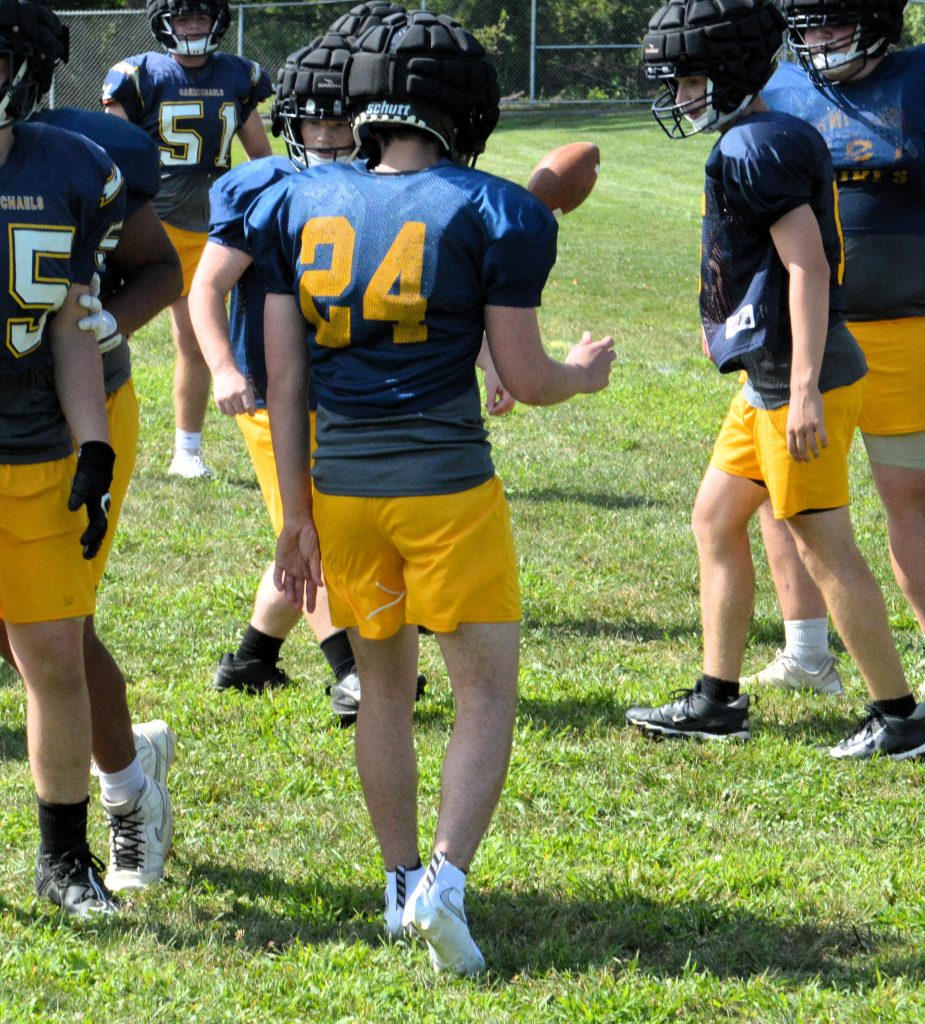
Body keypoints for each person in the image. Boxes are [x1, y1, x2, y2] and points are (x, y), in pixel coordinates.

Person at [246, 9, 614, 973]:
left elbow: (285, 378)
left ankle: (396, 879)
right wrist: (582, 374)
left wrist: (294, 514)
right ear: (465, 109)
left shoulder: (297, 198)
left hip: (340, 491)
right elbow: (524, 376)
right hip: (447, 489)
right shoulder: (494, 209)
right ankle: (443, 886)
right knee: (484, 694)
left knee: (382, 693)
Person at [626, 0, 925, 760]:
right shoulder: (765, 130)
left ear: (728, 76)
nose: (679, 99)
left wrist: (803, 389)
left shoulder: (755, 147)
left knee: (823, 543)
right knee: (715, 517)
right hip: (769, 375)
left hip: (800, 375)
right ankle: (717, 699)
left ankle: (898, 718)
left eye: (689, 82)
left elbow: (807, 266)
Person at [742, 0, 925, 700]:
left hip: (905, 324)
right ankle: (805, 652)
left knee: (908, 497)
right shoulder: (781, 87)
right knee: (786, 493)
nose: (816, 40)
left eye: (832, 23)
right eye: (806, 24)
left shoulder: (915, 79)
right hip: (803, 332)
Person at [189, 32, 369, 722]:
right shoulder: (263, 186)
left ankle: (252, 659)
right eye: (313, 122)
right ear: (290, 123)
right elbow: (207, 287)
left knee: (319, 528)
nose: (326, 137)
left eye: (339, 122)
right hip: (272, 392)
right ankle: (352, 670)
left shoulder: (382, 183)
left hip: (345, 387)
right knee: (311, 532)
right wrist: (222, 366)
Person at [0, 0, 130, 916]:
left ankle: (63, 857)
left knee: (52, 658)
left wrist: (94, 443)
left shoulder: (74, 169)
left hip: (35, 450)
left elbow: (70, 325)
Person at [102, 0, 272, 479]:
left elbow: (261, 158)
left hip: (207, 228)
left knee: (196, 342)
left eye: (201, 16)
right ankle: (88, 438)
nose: (193, 25)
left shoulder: (237, 75)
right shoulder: (139, 75)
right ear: (165, 22)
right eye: (183, 17)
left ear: (218, 21)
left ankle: (187, 452)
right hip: (146, 229)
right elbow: (110, 153)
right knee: (105, 335)